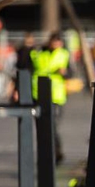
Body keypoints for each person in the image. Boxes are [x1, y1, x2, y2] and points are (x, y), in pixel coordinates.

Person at [31, 33, 70, 164]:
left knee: (52, 126)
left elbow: (71, 72)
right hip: (38, 93)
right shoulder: (39, 53)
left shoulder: (64, 54)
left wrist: (64, 73)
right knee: (42, 126)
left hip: (56, 96)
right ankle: (46, 154)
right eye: (54, 42)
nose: (56, 45)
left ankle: (55, 152)